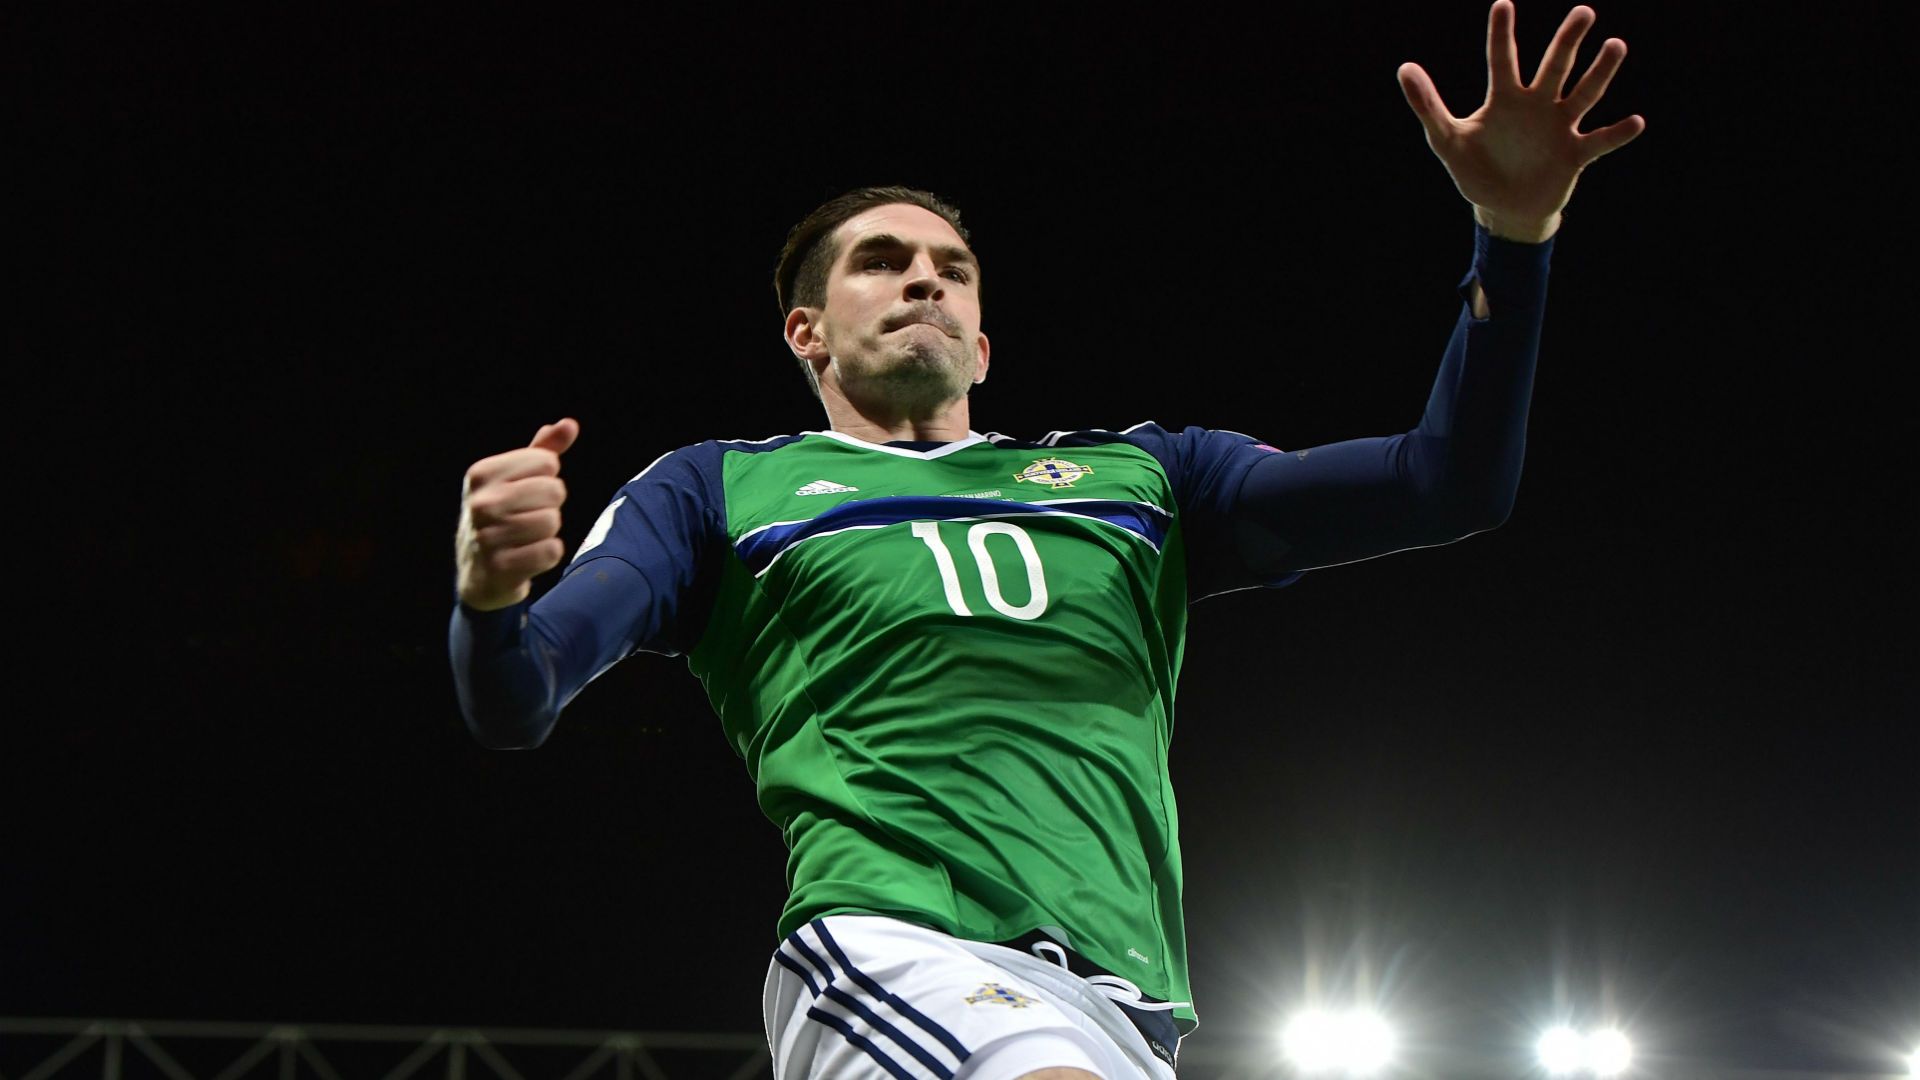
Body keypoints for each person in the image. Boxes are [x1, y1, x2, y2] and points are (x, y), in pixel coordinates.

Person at [448, 4, 1643, 1077]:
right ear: (806, 331)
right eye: (882, 263)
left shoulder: (1144, 477)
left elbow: (1447, 485)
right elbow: (518, 693)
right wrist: (490, 595)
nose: (924, 282)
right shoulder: (719, 489)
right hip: (896, 949)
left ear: (982, 343)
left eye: (952, 271)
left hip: (1126, 1005)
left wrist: (1514, 233)